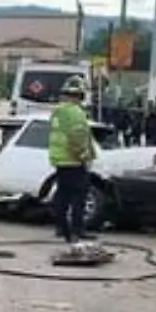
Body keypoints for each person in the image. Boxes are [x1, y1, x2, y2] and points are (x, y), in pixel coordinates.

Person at [48, 75, 97, 246]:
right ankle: (77, 230)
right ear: (80, 95)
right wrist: (84, 156)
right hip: (74, 161)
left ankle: (61, 227)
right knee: (78, 197)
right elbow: (77, 138)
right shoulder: (75, 112)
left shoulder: (57, 111)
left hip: (60, 161)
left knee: (62, 195)